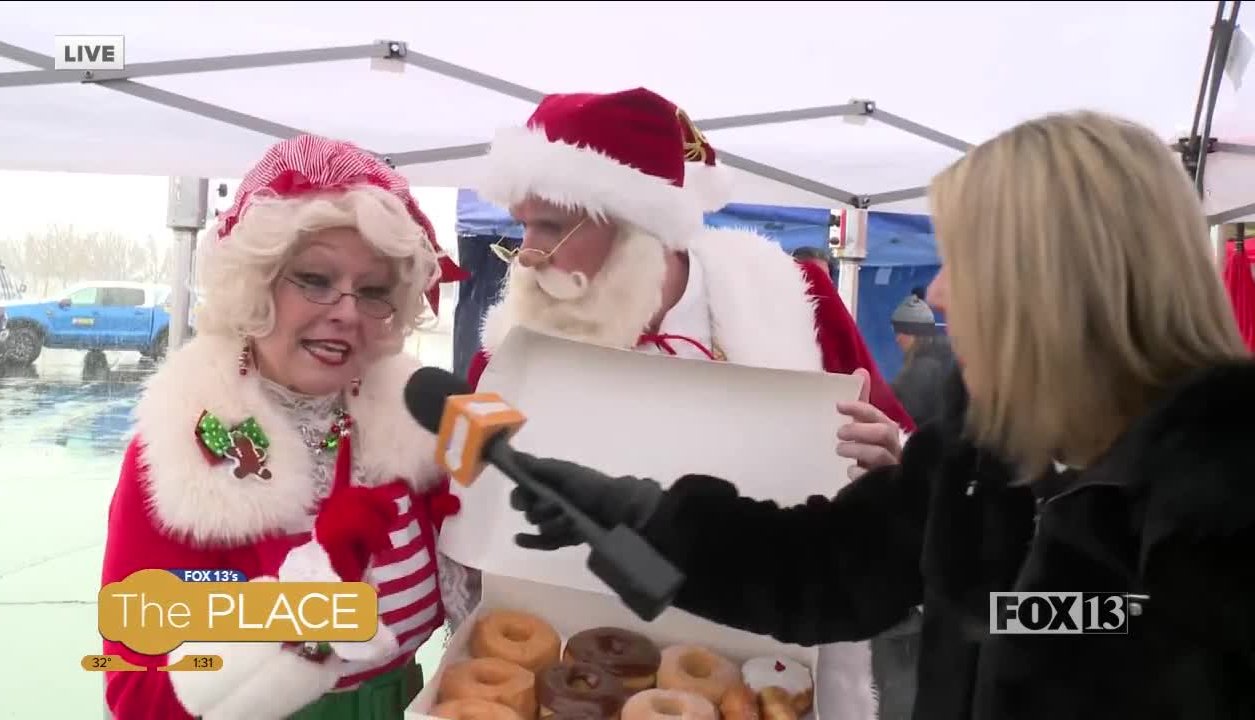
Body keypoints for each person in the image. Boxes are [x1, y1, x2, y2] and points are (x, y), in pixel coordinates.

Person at [504, 111, 1255, 719]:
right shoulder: (979, 452)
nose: (936, 294)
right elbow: (820, 571)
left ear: (1059, 280)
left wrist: (1014, 610)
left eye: (964, 259)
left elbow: (1118, 630)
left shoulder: (1220, 492)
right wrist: (634, 517)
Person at [445, 87, 913, 720]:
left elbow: (898, 466)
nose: (527, 254)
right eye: (521, 225)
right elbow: (470, 509)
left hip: (771, 647)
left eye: (551, 226)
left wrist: (892, 463)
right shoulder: (508, 353)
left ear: (642, 227)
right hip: (572, 662)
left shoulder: (794, 303)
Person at [99, 135, 468, 720]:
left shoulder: (411, 429)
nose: (346, 309)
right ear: (256, 284)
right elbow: (137, 694)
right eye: (315, 280)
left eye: (372, 291)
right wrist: (302, 606)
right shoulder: (181, 454)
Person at [889, 287, 958, 428]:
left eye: (901, 332)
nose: (898, 339)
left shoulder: (922, 370)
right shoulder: (947, 359)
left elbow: (909, 420)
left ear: (915, 333)